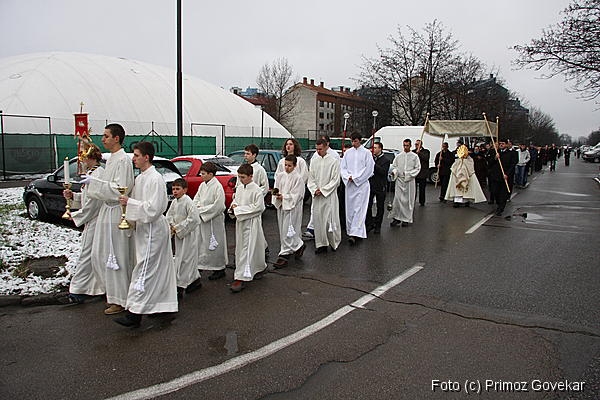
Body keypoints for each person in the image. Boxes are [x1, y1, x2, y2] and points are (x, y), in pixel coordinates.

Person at [114, 142, 177, 328]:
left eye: (136, 155)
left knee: (144, 269)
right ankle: (163, 306)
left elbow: (155, 208)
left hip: (153, 230)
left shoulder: (155, 179)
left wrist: (129, 203)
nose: (133, 159)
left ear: (146, 157)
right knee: (157, 269)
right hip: (144, 228)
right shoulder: (141, 178)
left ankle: (134, 313)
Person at [86, 123, 134, 316]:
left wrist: (96, 186)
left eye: (106, 136)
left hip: (116, 212)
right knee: (100, 255)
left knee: (117, 256)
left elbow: (122, 188)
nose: (102, 139)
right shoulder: (111, 159)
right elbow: (107, 185)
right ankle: (111, 292)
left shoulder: (123, 160)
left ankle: (120, 299)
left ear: (116, 138)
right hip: (106, 210)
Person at [61, 144, 105, 304]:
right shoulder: (91, 173)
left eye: (83, 156)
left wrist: (76, 215)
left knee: (87, 255)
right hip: (92, 220)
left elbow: (94, 202)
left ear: (90, 157)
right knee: (92, 255)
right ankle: (97, 287)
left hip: (96, 221)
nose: (81, 160)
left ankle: (77, 290)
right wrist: (73, 196)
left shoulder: (98, 174)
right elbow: (87, 198)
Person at [230, 163, 268, 293]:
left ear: (251, 176)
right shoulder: (240, 188)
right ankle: (259, 267)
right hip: (241, 222)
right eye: (239, 177)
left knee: (247, 248)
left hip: (251, 222)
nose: (241, 180)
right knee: (244, 247)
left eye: (243, 177)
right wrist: (233, 206)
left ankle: (241, 276)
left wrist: (239, 210)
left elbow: (259, 207)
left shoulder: (256, 190)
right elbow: (236, 201)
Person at [166, 178, 202, 299]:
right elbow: (169, 215)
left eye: (178, 189)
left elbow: (194, 219)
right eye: (173, 189)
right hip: (179, 235)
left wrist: (178, 227)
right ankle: (194, 280)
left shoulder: (188, 202)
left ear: (185, 190)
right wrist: (172, 225)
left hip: (189, 234)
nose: (175, 191)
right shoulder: (174, 202)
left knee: (186, 259)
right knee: (180, 257)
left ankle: (180, 286)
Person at [193, 162, 229, 281]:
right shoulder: (202, 185)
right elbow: (196, 199)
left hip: (214, 221)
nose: (201, 175)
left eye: (203, 173)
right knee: (202, 243)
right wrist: (196, 208)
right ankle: (201, 264)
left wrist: (201, 210)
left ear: (211, 174)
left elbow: (219, 205)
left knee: (215, 243)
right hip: (203, 220)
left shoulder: (217, 187)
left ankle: (218, 268)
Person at [303, 135, 341, 240]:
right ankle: (321, 242)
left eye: (320, 149)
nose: (318, 151)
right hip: (317, 194)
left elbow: (336, 179)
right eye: (317, 149)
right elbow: (311, 177)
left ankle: (333, 240)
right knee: (318, 218)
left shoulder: (333, 160)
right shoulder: (314, 160)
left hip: (328, 195)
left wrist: (323, 190)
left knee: (329, 218)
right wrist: (314, 189)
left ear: (326, 147)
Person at [340, 132, 374, 245]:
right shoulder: (347, 153)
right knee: (350, 209)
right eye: (352, 141)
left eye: (355, 141)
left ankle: (356, 233)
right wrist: (347, 176)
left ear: (360, 140)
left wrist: (356, 178)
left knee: (359, 209)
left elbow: (369, 169)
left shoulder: (366, 153)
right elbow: (343, 168)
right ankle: (351, 231)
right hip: (350, 186)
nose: (353, 143)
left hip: (361, 185)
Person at [273, 155, 306, 268]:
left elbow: (298, 194)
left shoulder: (298, 178)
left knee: (288, 229)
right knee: (283, 229)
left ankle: (284, 254)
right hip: (282, 205)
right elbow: (276, 188)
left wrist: (285, 197)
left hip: (292, 207)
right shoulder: (280, 176)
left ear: (295, 166)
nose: (287, 168)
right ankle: (298, 245)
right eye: (285, 165)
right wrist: (276, 194)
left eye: (289, 166)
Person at [389, 138, 421, 227]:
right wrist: (394, 172)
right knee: (398, 200)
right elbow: (394, 166)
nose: (405, 147)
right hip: (399, 180)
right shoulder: (399, 156)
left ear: (410, 146)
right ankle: (396, 218)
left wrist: (408, 174)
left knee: (408, 201)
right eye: (404, 145)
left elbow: (418, 168)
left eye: (407, 145)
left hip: (409, 181)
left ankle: (406, 219)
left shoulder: (414, 157)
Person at [366, 142, 391, 234]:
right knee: (368, 205)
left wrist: (373, 164)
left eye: (376, 148)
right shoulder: (371, 158)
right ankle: (369, 223)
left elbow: (383, 172)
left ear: (380, 149)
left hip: (380, 186)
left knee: (380, 207)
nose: (374, 150)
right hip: (371, 185)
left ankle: (378, 225)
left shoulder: (386, 160)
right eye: (373, 148)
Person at [487, 139, 515, 216]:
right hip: (496, 176)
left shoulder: (511, 153)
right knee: (495, 192)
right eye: (500, 143)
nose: (501, 145)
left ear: (506, 144)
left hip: (504, 177)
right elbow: (490, 163)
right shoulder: (496, 152)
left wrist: (507, 174)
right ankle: (498, 203)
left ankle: (500, 209)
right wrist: (495, 158)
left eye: (503, 143)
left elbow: (512, 165)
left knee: (503, 194)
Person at [413, 139, 430, 206]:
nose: (416, 145)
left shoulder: (426, 151)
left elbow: (426, 158)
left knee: (422, 189)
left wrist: (419, 153)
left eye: (417, 144)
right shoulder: (413, 152)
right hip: (415, 173)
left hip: (422, 173)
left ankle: (422, 201)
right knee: (413, 189)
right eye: (415, 144)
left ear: (421, 145)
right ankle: (413, 200)